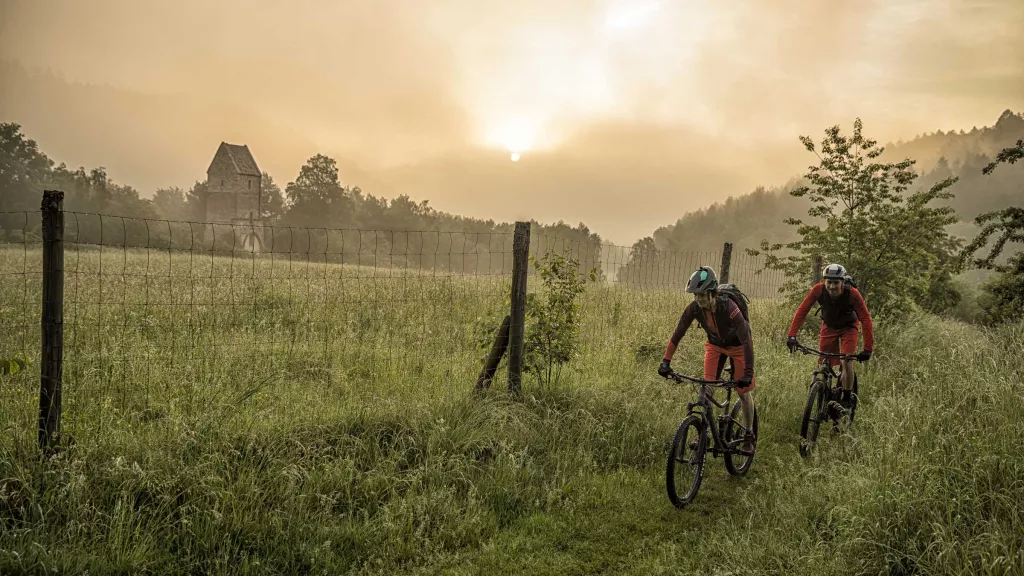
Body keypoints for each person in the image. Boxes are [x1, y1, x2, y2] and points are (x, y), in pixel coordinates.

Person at [658, 266, 756, 450]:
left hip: (738, 348)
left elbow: (746, 341)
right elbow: (678, 334)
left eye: (702, 295)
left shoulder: (730, 308)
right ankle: (702, 433)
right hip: (715, 346)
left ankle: (749, 433)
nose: (698, 299)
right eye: (695, 295)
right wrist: (666, 361)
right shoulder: (694, 309)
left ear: (713, 293)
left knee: (743, 393)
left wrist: (748, 373)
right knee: (706, 388)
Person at [786, 263, 874, 409]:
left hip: (849, 327)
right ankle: (824, 390)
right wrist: (792, 336)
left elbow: (865, 319)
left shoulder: (852, 294)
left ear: (842, 282)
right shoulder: (818, 290)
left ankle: (846, 398)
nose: (832, 286)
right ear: (824, 281)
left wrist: (868, 348)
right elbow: (802, 310)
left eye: (836, 283)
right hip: (829, 326)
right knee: (824, 359)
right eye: (829, 282)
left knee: (846, 360)